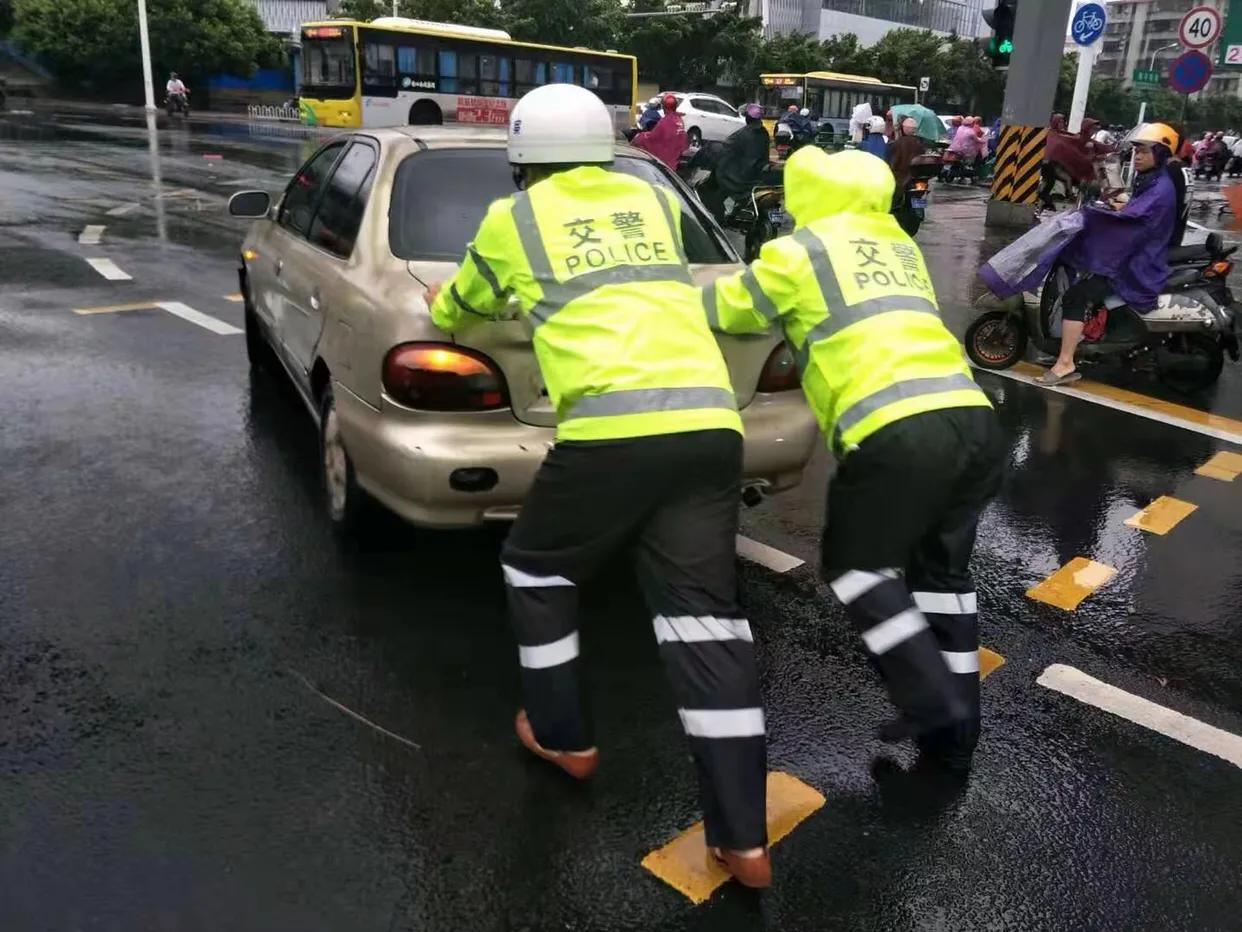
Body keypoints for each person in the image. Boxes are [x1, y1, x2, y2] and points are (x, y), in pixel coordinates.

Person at [423, 83, 771, 888]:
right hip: (711, 428)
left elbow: (462, 305)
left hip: (612, 433)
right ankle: (744, 838)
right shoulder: (646, 201)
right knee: (704, 625)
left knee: (537, 569)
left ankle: (563, 733)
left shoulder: (513, 221)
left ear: (522, 160)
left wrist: (460, 308)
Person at [701, 146, 1002, 775]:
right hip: (973, 419)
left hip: (897, 430)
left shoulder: (796, 252)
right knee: (942, 577)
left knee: (855, 566)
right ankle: (959, 724)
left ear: (811, 196)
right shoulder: (897, 246)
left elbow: (728, 309)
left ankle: (927, 700)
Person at [1038, 123, 1180, 386]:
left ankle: (1066, 363)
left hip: (1136, 263)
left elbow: (1133, 222)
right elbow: (1135, 211)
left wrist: (1095, 216)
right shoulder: (1151, 180)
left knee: (1075, 296)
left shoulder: (1160, 188)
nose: (1137, 156)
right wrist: (1115, 205)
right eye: (1136, 151)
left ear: (1159, 154)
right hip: (1134, 255)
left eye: (1144, 151)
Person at [700, 102, 771, 224]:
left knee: (712, 193)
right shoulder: (763, 133)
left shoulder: (741, 135)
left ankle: (719, 221)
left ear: (748, 117)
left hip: (740, 177)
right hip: (755, 174)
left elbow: (725, 150)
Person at [889, 116, 925, 236]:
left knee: (893, 203)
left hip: (901, 178)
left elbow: (893, 163)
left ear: (904, 129)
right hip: (918, 179)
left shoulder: (898, 144)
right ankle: (920, 211)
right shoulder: (920, 144)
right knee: (920, 196)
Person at [631, 93, 687, 170]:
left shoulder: (665, 121)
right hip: (674, 162)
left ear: (663, 106)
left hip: (663, 163)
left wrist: (639, 137)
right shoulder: (679, 120)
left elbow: (652, 138)